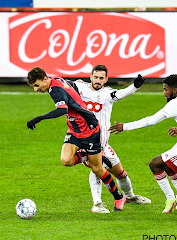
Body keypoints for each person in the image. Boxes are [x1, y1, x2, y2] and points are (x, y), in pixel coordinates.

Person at [26, 66, 126, 212]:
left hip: (89, 129)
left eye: (36, 85)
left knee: (97, 168)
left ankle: (118, 197)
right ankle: (89, 156)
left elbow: (62, 110)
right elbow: (71, 87)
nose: (35, 89)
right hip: (74, 130)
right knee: (66, 160)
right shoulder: (57, 81)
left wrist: (39, 118)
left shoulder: (56, 91)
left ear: (44, 79)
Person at [72, 65, 151, 213]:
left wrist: (135, 86)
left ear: (106, 79)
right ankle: (97, 204)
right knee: (97, 169)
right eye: (95, 77)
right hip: (86, 143)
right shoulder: (80, 87)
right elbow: (64, 85)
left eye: (101, 78)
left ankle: (130, 197)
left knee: (121, 173)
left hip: (104, 145)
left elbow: (121, 94)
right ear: (91, 77)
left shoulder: (108, 94)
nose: (98, 80)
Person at [109, 74, 177, 213]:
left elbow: (151, 121)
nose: (164, 93)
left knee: (156, 164)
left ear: (175, 90)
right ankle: (172, 199)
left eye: (166, 89)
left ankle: (171, 198)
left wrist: (125, 126)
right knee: (168, 166)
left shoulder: (174, 104)